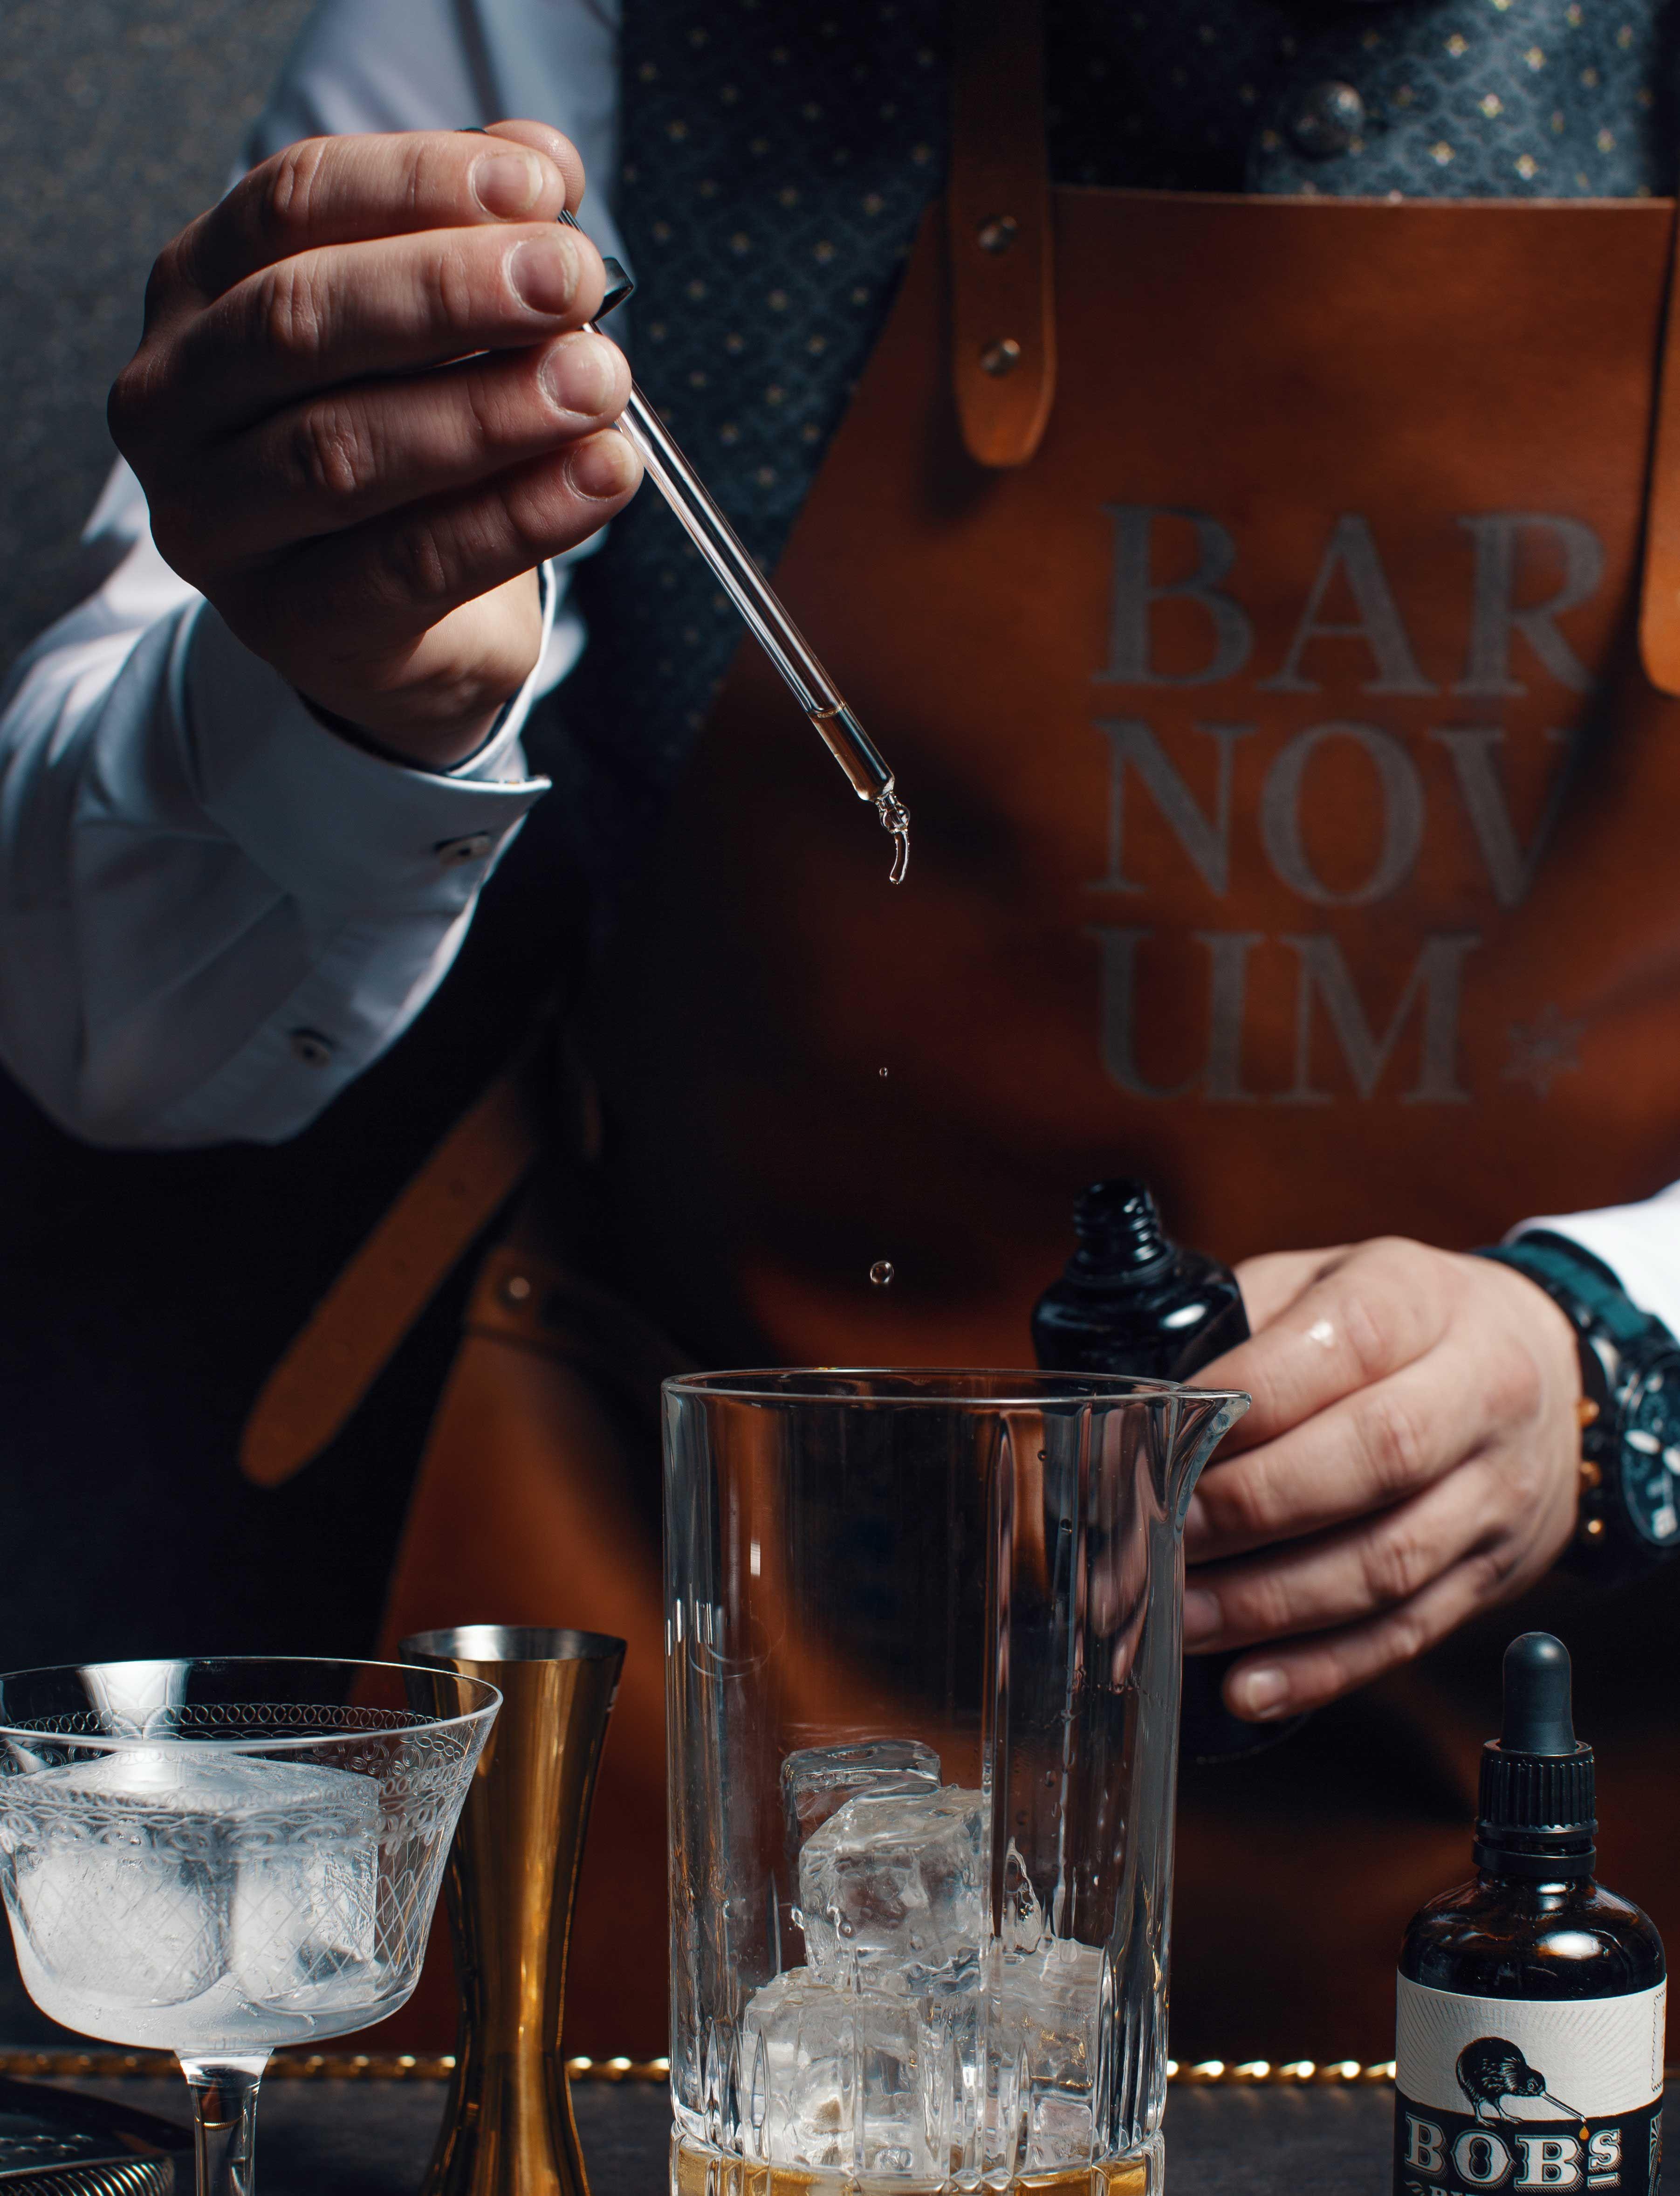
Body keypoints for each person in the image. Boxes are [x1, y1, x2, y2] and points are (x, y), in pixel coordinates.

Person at [3, 0, 1680, 2058]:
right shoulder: (552, 27)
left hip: (1591, 1796)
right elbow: (113, 1027)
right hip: (725, 1747)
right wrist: (343, 692)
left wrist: (1608, 1358)